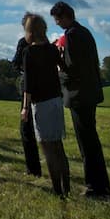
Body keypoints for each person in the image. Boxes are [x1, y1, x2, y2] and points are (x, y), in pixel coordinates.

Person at [50, 1, 110, 198]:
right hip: (89, 92)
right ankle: (102, 184)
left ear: (65, 16)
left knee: (87, 143)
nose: (57, 23)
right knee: (91, 140)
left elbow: (72, 68)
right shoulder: (83, 32)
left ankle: (95, 186)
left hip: (80, 95)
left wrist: (57, 70)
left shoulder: (72, 35)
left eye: (58, 19)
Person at [20, 13, 70, 196]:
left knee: (47, 149)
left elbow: (28, 83)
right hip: (56, 100)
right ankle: (67, 187)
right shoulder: (52, 49)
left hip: (40, 103)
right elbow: (63, 67)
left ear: (30, 32)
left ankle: (57, 190)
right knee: (58, 146)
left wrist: (25, 107)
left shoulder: (29, 52)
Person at [11, 24, 44, 176]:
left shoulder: (23, 44)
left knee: (26, 130)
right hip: (46, 92)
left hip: (28, 91)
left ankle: (33, 168)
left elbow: (16, 63)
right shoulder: (46, 44)